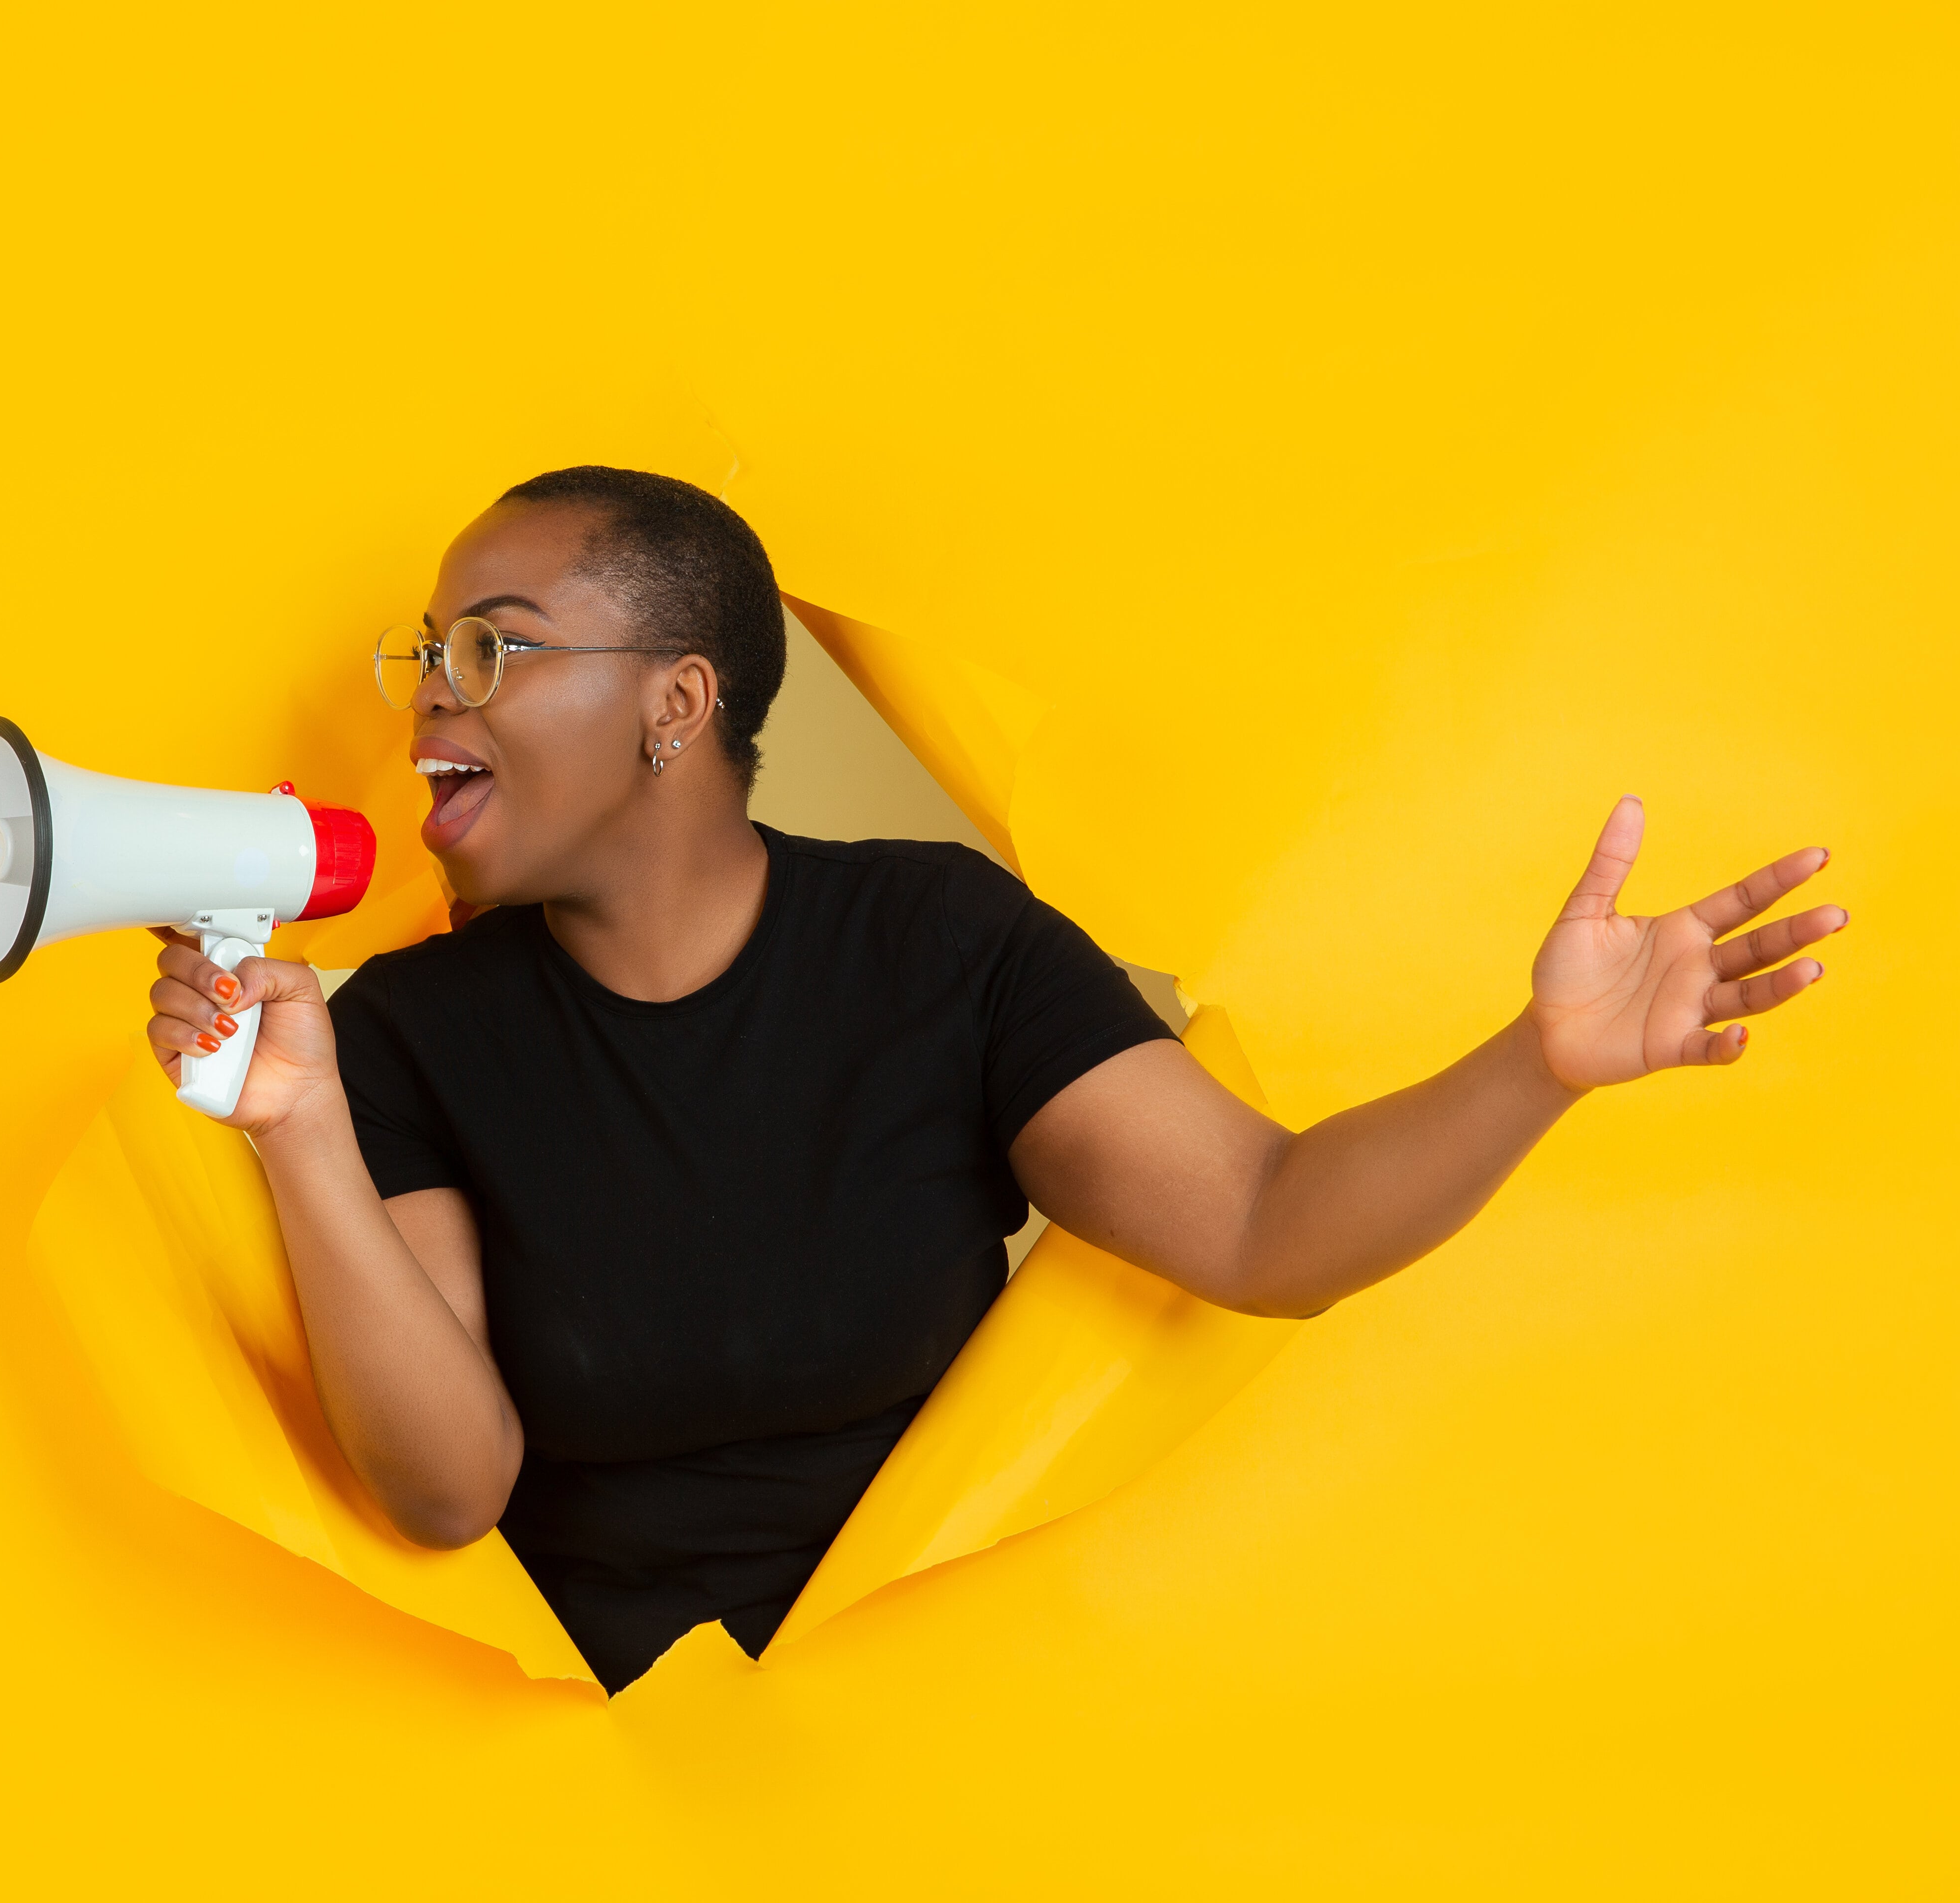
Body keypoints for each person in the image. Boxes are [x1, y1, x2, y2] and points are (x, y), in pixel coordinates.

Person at [140, 466, 1846, 1691]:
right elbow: (449, 1489)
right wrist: (297, 1132)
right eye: (427, 652)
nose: (433, 694)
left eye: (494, 649)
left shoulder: (936, 946)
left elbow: (1266, 1225)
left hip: (940, 1735)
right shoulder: (414, 1032)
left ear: (677, 705)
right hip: (577, 1773)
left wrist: (1541, 1065)